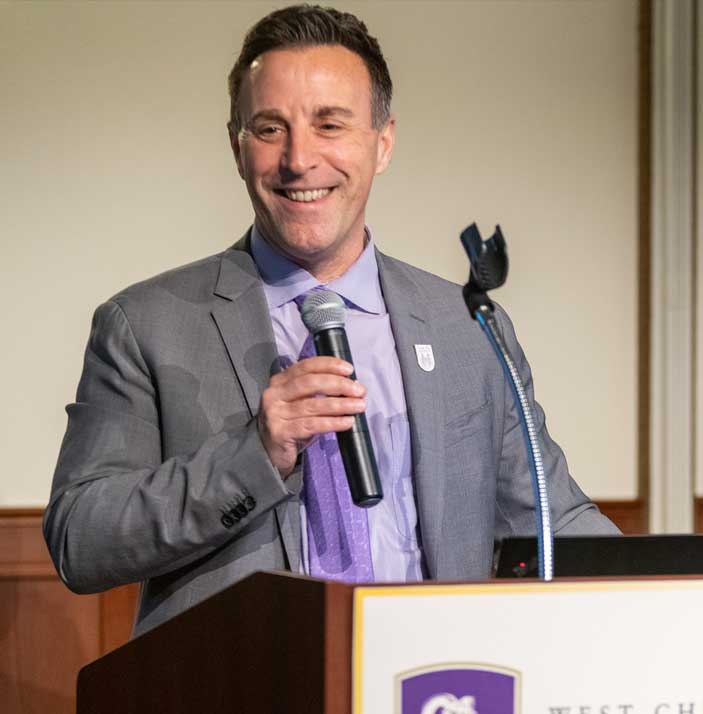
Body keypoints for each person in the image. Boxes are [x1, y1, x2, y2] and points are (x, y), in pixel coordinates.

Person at [45, 4, 618, 636]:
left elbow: (551, 522)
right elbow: (81, 539)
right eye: (269, 128)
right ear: (237, 147)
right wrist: (256, 452)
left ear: (383, 142)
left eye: (329, 124)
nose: (299, 159)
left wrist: (691, 592)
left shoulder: (466, 327)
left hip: (435, 684)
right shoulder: (145, 326)